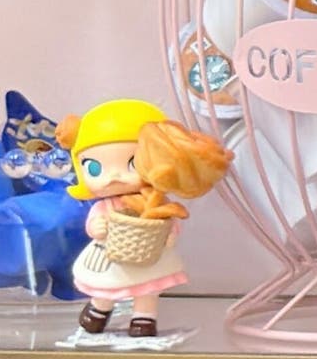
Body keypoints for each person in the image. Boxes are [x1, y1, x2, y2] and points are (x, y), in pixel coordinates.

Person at [65, 96, 233, 340]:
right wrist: (97, 227)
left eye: (132, 164)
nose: (114, 176)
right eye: (95, 168)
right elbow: (94, 221)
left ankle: (144, 319)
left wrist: (168, 235)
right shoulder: (106, 205)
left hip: (150, 256)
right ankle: (98, 311)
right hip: (107, 257)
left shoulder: (157, 203)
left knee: (148, 289)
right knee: (105, 285)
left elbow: (169, 223)